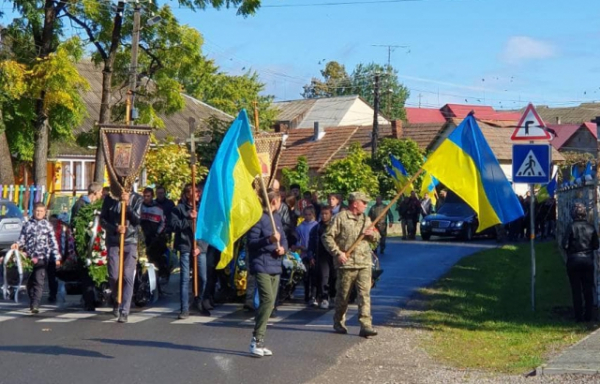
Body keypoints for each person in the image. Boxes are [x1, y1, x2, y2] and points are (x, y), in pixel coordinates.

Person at [322, 192, 380, 338]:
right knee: (343, 295)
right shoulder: (340, 218)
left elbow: (377, 239)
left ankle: (366, 325)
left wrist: (371, 235)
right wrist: (338, 253)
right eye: (364, 203)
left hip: (364, 263)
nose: (366, 206)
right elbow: (327, 236)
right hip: (346, 264)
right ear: (355, 203)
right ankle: (338, 321)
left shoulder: (367, 220)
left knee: (364, 295)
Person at [248, 190, 288, 357]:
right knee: (267, 299)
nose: (280, 204)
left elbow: (284, 238)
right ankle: (256, 339)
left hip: (275, 264)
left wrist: (282, 248)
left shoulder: (276, 218)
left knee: (270, 303)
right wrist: (269, 240)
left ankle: (260, 339)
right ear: (273, 201)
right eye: (279, 201)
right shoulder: (259, 218)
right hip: (261, 264)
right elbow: (251, 243)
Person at [9, 203, 61, 313]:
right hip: (29, 258)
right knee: (30, 281)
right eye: (37, 211)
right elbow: (22, 239)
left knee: (39, 280)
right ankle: (32, 298)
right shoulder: (27, 224)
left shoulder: (47, 225)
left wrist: (56, 257)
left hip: (42, 257)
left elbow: (53, 242)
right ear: (33, 211)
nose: (39, 213)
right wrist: (17, 244)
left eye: (41, 211)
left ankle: (35, 304)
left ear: (45, 212)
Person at [100, 189, 143, 323]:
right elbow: (103, 220)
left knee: (127, 275)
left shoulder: (137, 198)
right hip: (114, 240)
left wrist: (128, 205)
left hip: (130, 240)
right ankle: (116, 297)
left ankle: (124, 310)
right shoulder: (110, 198)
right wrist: (115, 228)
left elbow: (137, 220)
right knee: (114, 275)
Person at [170, 183, 208, 318]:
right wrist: (188, 218)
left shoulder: (202, 210)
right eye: (194, 192)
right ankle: (184, 309)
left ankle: (198, 301)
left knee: (203, 278)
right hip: (185, 246)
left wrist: (200, 248)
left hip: (200, 248)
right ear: (187, 195)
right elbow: (174, 226)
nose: (198, 194)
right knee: (185, 278)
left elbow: (206, 231)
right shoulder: (179, 209)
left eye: (198, 192)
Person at [562, 204, 599, 322]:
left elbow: (565, 244)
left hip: (573, 260)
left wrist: (570, 251)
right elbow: (596, 245)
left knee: (576, 289)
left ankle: (578, 316)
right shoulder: (591, 227)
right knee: (588, 288)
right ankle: (589, 315)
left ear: (573, 214)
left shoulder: (571, 226)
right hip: (588, 260)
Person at [308, 205, 336, 309]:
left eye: (326, 214)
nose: (324, 216)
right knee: (324, 276)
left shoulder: (335, 226)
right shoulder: (316, 228)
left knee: (334, 276)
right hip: (321, 255)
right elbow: (311, 243)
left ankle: (333, 295)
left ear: (331, 215)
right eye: (322, 214)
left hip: (333, 255)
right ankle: (324, 297)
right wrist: (311, 255)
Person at [140, 187, 168, 282]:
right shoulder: (140, 207)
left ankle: (158, 278)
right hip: (143, 237)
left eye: (148, 196)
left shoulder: (158, 208)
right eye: (144, 196)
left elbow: (163, 222)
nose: (146, 198)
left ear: (152, 196)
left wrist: (158, 233)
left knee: (155, 259)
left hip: (154, 238)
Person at [295, 206, 319, 306]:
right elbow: (297, 239)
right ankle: (306, 293)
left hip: (314, 253)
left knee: (314, 275)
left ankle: (313, 295)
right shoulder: (300, 226)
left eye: (310, 214)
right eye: (306, 214)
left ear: (313, 215)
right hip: (304, 253)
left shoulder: (316, 225)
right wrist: (299, 246)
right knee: (306, 274)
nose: (308, 216)